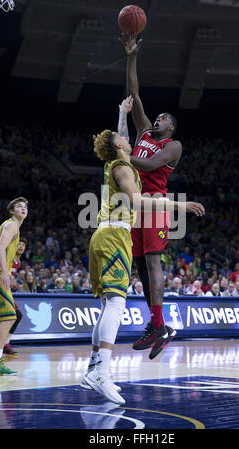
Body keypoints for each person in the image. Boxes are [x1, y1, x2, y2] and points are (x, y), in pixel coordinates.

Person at [81, 116, 204, 404]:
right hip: (114, 236)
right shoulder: (123, 167)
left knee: (105, 306)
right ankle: (101, 372)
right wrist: (178, 205)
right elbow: (137, 202)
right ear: (121, 145)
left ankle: (92, 369)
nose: (126, 137)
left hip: (104, 235)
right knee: (115, 303)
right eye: (121, 137)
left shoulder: (116, 163)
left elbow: (119, 137)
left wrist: (123, 113)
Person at [119, 35, 184, 351]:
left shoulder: (172, 146)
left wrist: (120, 155)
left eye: (163, 119)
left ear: (171, 127)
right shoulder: (144, 131)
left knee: (154, 263)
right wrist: (132, 56)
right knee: (141, 267)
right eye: (156, 118)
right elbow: (134, 93)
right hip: (136, 206)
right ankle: (157, 325)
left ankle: (159, 323)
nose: (157, 120)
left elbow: (149, 165)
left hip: (156, 206)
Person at [0, 197, 28, 375]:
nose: (23, 208)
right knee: (10, 316)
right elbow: (0, 249)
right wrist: (4, 272)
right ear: (11, 211)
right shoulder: (11, 225)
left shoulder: (13, 227)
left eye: (25, 206)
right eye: (19, 206)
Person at [3, 238, 28, 356]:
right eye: (19, 244)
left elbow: (9, 276)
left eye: (23, 245)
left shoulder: (18, 263)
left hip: (5, 289)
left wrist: (13, 284)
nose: (21, 246)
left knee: (17, 315)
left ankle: (6, 344)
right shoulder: (9, 256)